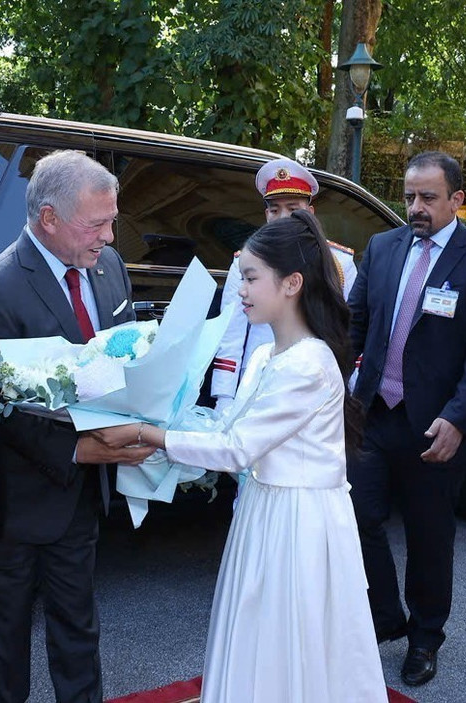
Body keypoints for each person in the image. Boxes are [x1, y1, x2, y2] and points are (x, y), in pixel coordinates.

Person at [98, 210, 387, 702]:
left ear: (293, 283)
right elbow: (228, 429)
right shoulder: (263, 355)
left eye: (251, 278)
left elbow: (236, 448)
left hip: (298, 521)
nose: (241, 290)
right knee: (256, 627)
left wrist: (150, 433)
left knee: (290, 636)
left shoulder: (309, 366)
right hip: (265, 508)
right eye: (240, 278)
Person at [0, 150, 154, 703]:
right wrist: (80, 450)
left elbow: (121, 358)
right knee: (2, 640)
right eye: (97, 223)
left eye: (112, 220)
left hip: (80, 500)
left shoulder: (109, 267)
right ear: (48, 218)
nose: (110, 236)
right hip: (15, 504)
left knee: (79, 629)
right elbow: (2, 404)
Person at [347, 151, 466, 686]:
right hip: (374, 414)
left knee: (428, 537)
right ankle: (385, 619)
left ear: (457, 199)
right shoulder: (382, 247)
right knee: (357, 518)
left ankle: (424, 639)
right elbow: (356, 322)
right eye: (409, 195)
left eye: (428, 197)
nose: (415, 207)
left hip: (435, 426)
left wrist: (459, 418)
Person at [211, 156, 357, 413]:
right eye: (274, 210)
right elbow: (230, 335)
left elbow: (350, 332)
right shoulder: (244, 263)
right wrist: (225, 400)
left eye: (293, 208)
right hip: (257, 381)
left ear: (309, 212)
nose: (282, 217)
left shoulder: (339, 263)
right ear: (266, 213)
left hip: (316, 384)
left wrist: (350, 390)